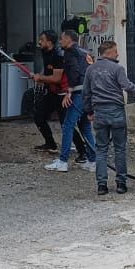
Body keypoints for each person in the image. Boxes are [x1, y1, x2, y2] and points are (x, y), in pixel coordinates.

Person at [85, 39, 135, 195]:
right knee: (119, 149)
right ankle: (121, 183)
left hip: (100, 113)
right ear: (109, 52)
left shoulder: (91, 70)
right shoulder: (118, 69)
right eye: (116, 50)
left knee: (101, 150)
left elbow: (86, 93)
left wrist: (89, 112)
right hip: (116, 112)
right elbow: (127, 86)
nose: (118, 53)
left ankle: (102, 185)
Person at [51, 29, 96, 173]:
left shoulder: (70, 53)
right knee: (85, 127)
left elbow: (74, 72)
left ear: (69, 40)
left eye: (62, 39)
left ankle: (63, 161)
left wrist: (69, 91)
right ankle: (93, 160)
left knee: (68, 125)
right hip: (88, 93)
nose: (60, 41)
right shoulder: (84, 52)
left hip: (78, 92)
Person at [31, 31, 65, 155]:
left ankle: (83, 151)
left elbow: (57, 79)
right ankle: (50, 144)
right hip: (51, 92)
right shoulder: (45, 52)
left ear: (49, 42)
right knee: (39, 117)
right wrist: (40, 78)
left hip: (62, 94)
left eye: (42, 39)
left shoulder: (58, 55)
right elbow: (48, 74)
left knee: (65, 123)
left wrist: (40, 78)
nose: (39, 42)